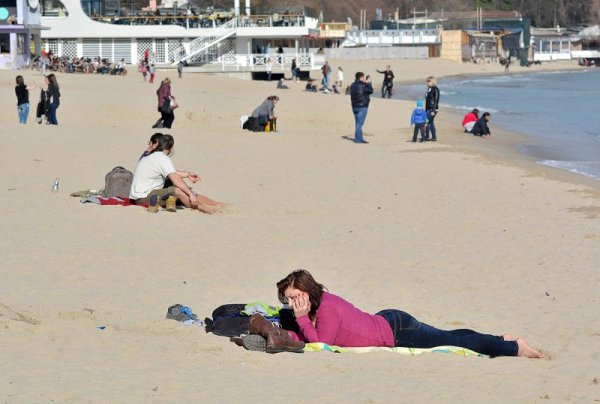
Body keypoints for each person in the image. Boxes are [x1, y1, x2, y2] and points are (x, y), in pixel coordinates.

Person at [242, 269, 545, 357]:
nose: (291, 304)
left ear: (307, 293)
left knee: (455, 341)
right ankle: (501, 338)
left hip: (399, 331)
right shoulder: (318, 305)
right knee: (451, 336)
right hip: (387, 320)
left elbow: (321, 343)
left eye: (294, 298)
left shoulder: (328, 308)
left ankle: (514, 347)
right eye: (287, 300)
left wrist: (301, 320)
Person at [130, 134, 225, 214]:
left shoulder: (151, 156)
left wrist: (187, 174)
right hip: (143, 198)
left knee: (182, 188)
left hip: (140, 195)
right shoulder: (162, 158)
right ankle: (209, 211)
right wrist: (190, 194)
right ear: (171, 148)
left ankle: (219, 204)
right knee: (179, 191)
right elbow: (175, 178)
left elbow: (172, 173)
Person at [349, 72, 373, 144]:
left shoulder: (352, 85)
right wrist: (368, 83)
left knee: (358, 123)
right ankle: (358, 140)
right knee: (359, 124)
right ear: (361, 77)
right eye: (363, 77)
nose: (364, 78)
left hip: (354, 106)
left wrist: (366, 83)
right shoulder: (363, 85)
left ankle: (360, 138)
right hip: (362, 107)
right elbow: (371, 91)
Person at [424, 76, 440, 141]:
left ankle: (427, 137)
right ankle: (434, 137)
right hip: (428, 109)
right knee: (431, 123)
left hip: (433, 110)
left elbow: (436, 101)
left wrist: (433, 111)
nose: (427, 82)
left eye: (429, 81)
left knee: (426, 122)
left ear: (433, 81)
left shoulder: (436, 89)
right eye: (427, 81)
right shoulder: (429, 89)